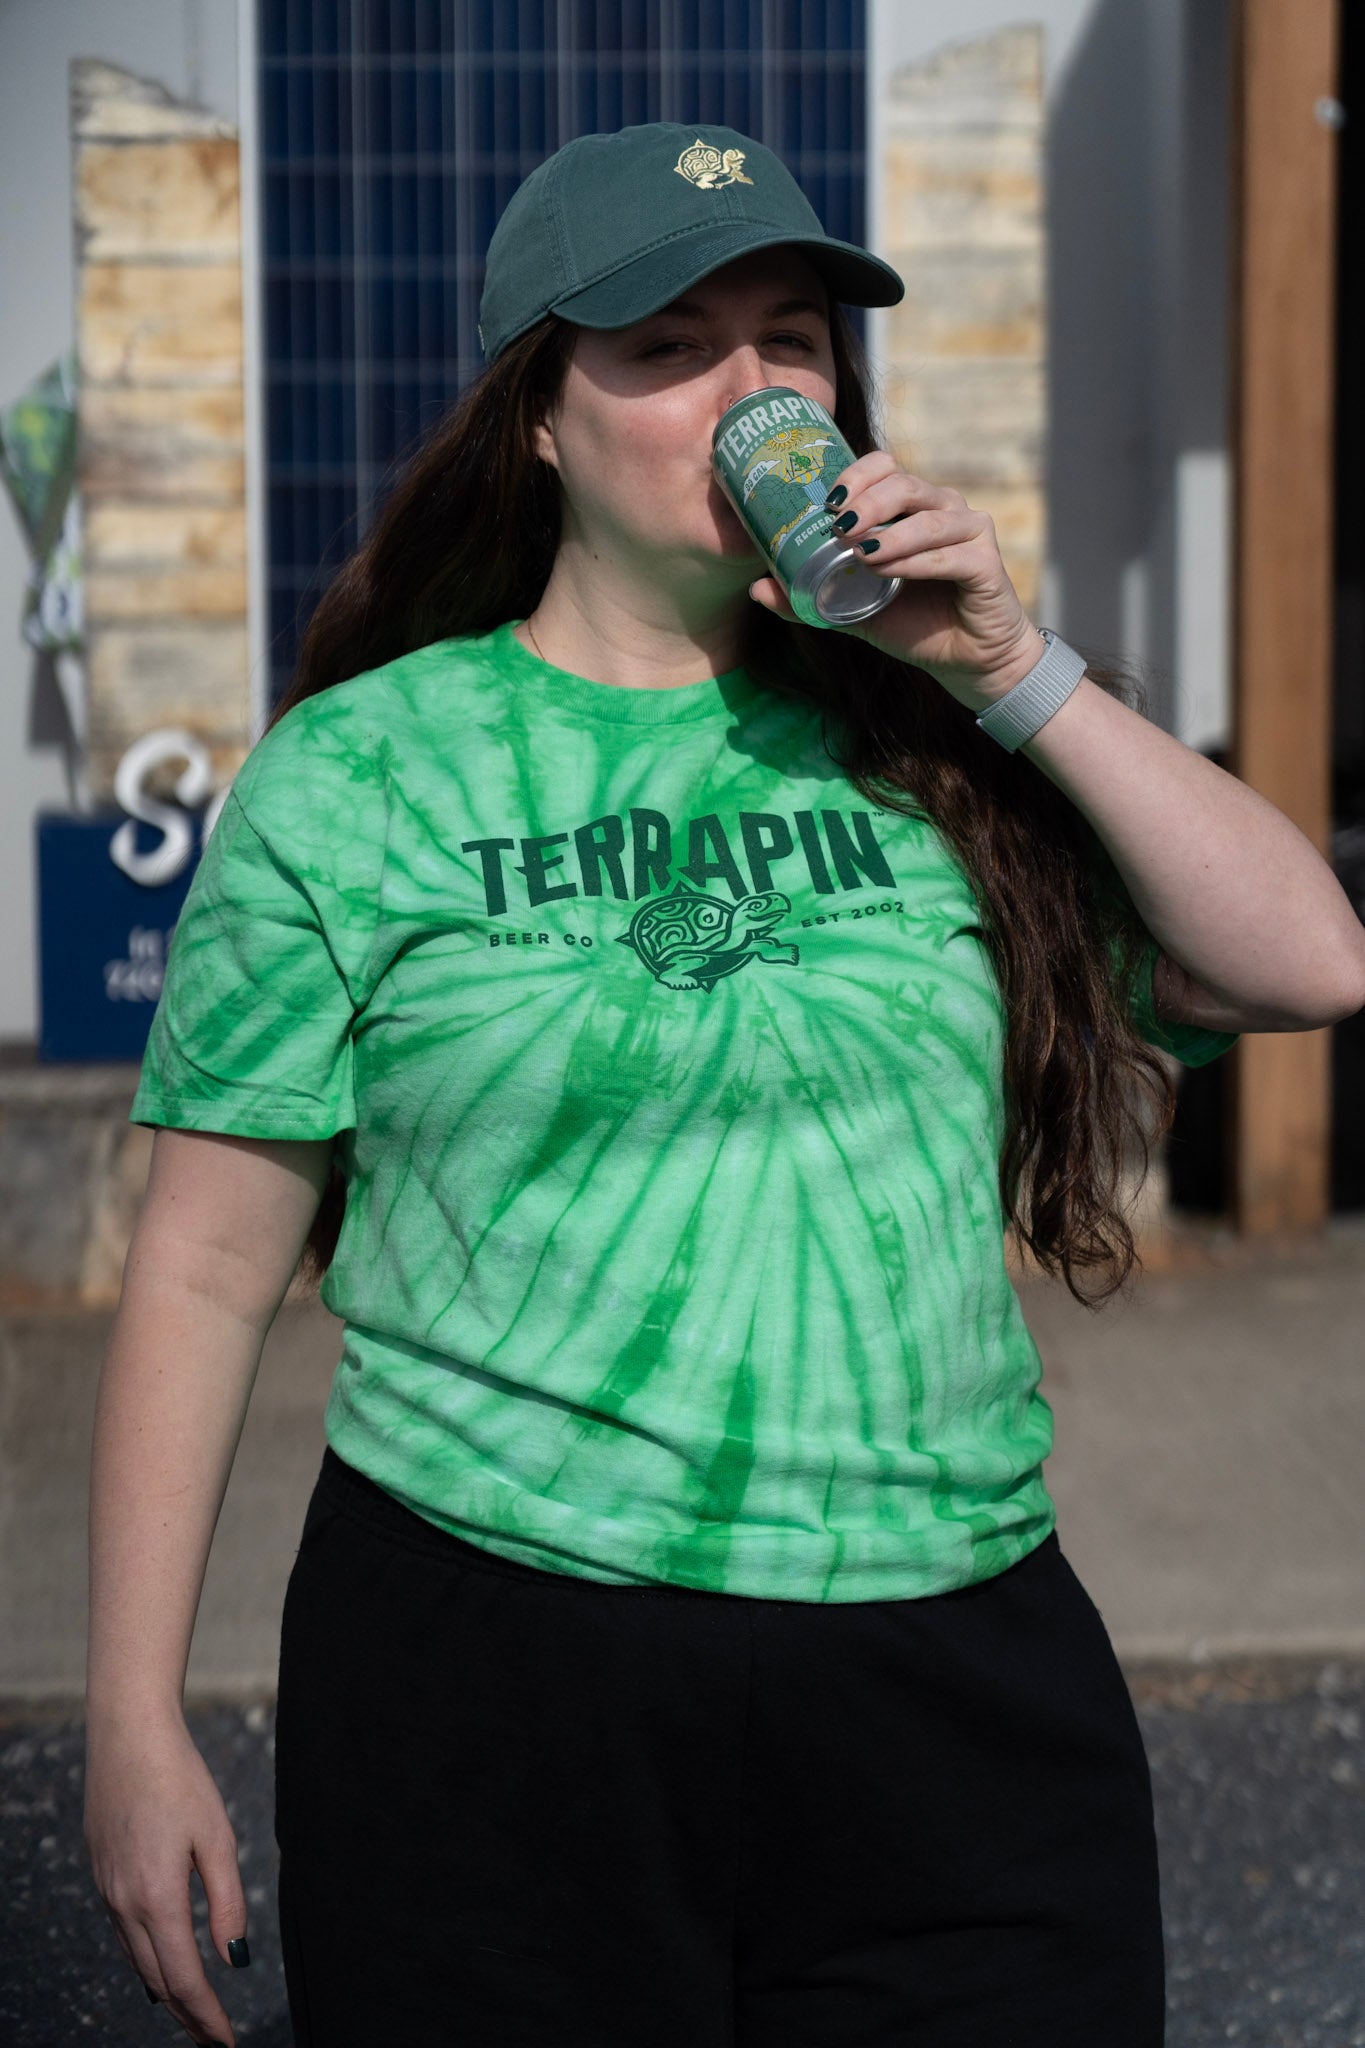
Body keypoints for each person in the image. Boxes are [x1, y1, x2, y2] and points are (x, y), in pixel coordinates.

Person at [82, 121, 1365, 2048]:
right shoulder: (363, 773)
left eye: (789, 341)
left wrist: (1005, 665)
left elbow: (1307, 962)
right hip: (497, 1663)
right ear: (538, 418)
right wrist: (130, 1717)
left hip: (947, 1654)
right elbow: (199, 1267)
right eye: (668, 348)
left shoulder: (937, 738)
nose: (749, 389)